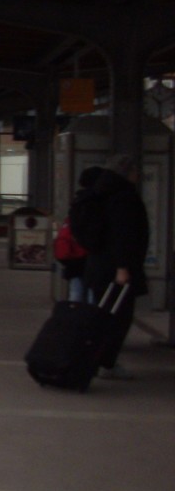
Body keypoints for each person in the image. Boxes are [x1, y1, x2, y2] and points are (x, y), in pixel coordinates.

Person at [82, 153, 149, 379]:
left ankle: (95, 357)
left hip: (97, 264)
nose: (137, 175)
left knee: (104, 315)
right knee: (118, 318)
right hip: (115, 268)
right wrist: (123, 267)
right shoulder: (123, 196)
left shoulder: (100, 191)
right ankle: (105, 362)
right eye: (134, 170)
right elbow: (123, 235)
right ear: (127, 171)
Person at [60, 165, 102, 303]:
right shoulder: (98, 201)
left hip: (74, 257)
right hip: (91, 255)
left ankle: (73, 320)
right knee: (92, 293)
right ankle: (89, 320)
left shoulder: (78, 201)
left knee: (76, 293)